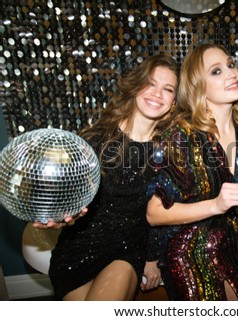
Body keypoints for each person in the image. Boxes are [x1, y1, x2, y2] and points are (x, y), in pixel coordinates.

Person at [38, 54, 179, 300]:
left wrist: (152, 257)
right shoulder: (95, 139)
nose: (157, 94)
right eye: (151, 83)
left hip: (127, 252)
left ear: (174, 102)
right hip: (79, 252)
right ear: (136, 86)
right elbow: (70, 199)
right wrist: (62, 217)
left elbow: (162, 212)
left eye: (167, 89)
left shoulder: (170, 150)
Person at [146, 44, 238, 300]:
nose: (231, 73)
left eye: (231, 65)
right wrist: (215, 205)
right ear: (198, 87)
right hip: (189, 250)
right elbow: (154, 214)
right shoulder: (180, 135)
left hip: (233, 243)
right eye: (216, 71)